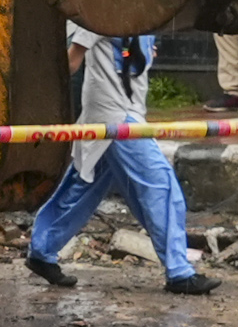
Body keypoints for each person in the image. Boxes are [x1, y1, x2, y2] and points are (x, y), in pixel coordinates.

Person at [28, 22, 205, 294]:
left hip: (126, 111)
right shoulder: (99, 12)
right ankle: (179, 271)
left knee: (83, 186)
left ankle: (42, 250)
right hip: (113, 115)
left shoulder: (147, 12)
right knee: (160, 184)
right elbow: (72, 62)